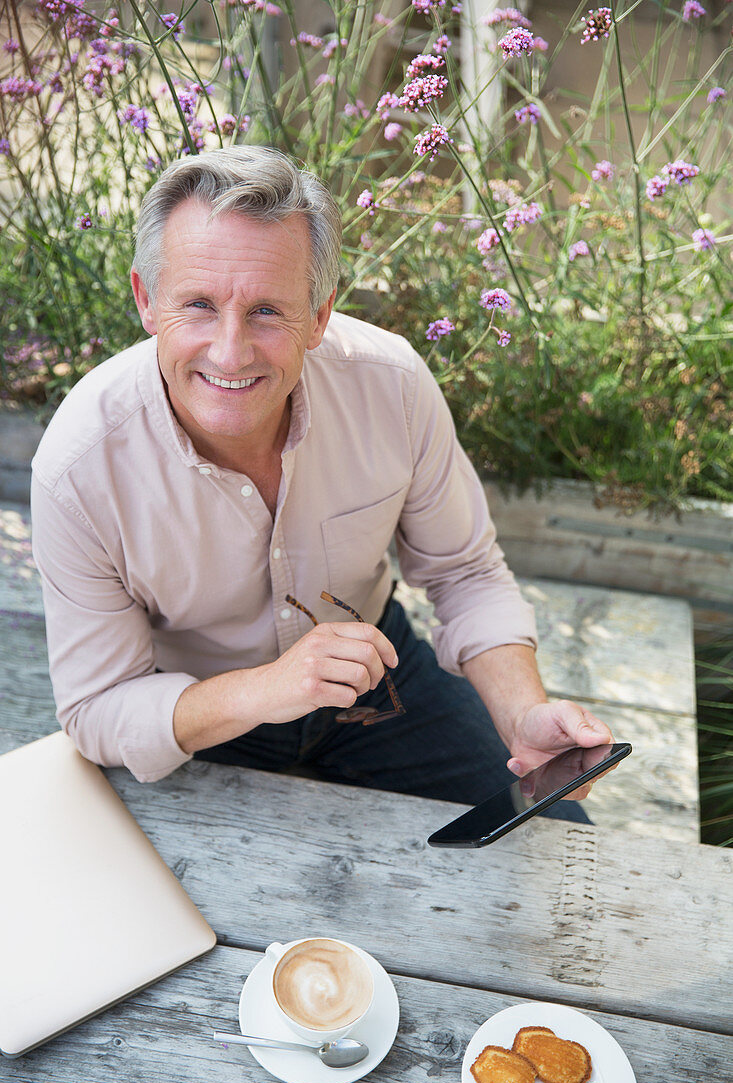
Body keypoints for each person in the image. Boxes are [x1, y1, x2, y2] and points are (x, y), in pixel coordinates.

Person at [31, 146, 612, 817]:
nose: (229, 351)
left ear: (319, 314)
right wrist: (267, 690)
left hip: (379, 680)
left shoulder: (389, 384)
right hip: (194, 713)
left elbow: (464, 573)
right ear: (145, 300)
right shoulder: (78, 466)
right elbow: (96, 708)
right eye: (196, 304)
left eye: (267, 312)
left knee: (554, 837)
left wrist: (521, 714)